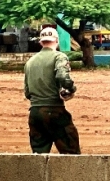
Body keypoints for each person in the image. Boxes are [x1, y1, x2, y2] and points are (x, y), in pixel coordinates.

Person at [23, 26, 81, 154]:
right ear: (57, 40)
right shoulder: (59, 57)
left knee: (39, 156)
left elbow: (27, 92)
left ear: (40, 42)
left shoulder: (30, 62)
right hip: (54, 110)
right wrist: (71, 88)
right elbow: (62, 76)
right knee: (71, 153)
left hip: (35, 113)